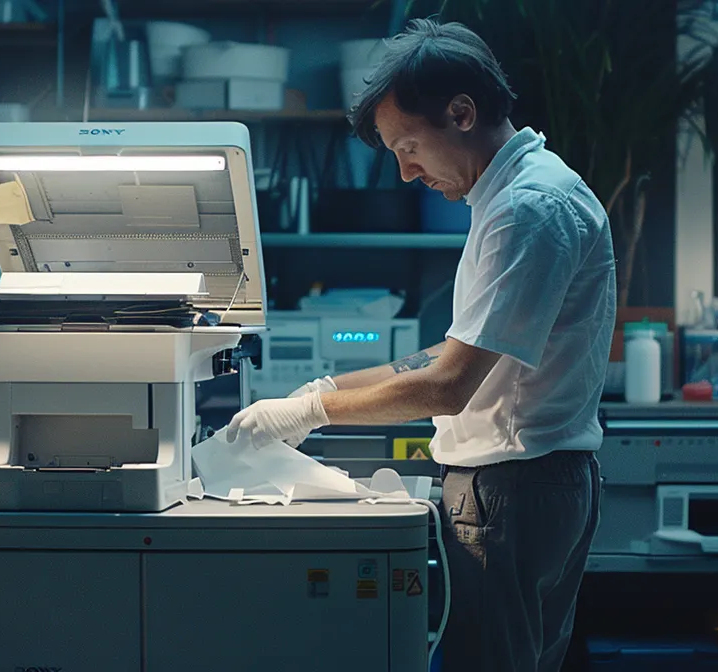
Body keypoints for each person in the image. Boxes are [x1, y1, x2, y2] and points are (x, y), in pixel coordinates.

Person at [224, 18, 616, 672]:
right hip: (534, 484)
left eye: (408, 146)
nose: (406, 173)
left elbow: (447, 386)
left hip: (513, 489)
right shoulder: (518, 195)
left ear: (461, 113)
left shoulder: (527, 208)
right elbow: (448, 355)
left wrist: (308, 415)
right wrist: (324, 387)